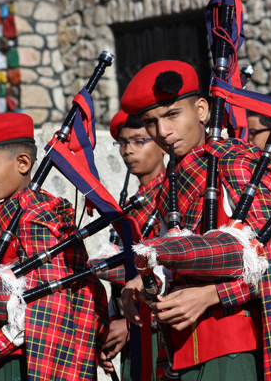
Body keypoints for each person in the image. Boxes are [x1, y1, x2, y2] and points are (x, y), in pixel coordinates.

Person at [119, 60, 271, 380]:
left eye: (173, 115)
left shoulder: (235, 164)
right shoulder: (168, 184)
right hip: (178, 353)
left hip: (231, 351)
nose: (163, 132)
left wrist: (211, 295)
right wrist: (144, 280)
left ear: (202, 110)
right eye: (151, 122)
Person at [0, 112, 108, 380]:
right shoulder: (1, 217)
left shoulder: (39, 213)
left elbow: (48, 302)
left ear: (22, 162)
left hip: (27, 363)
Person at [97, 110, 166, 379]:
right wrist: (116, 319)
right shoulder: (130, 203)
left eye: (139, 141)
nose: (127, 151)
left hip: (156, 325)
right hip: (130, 326)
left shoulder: (169, 194)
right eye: (123, 142)